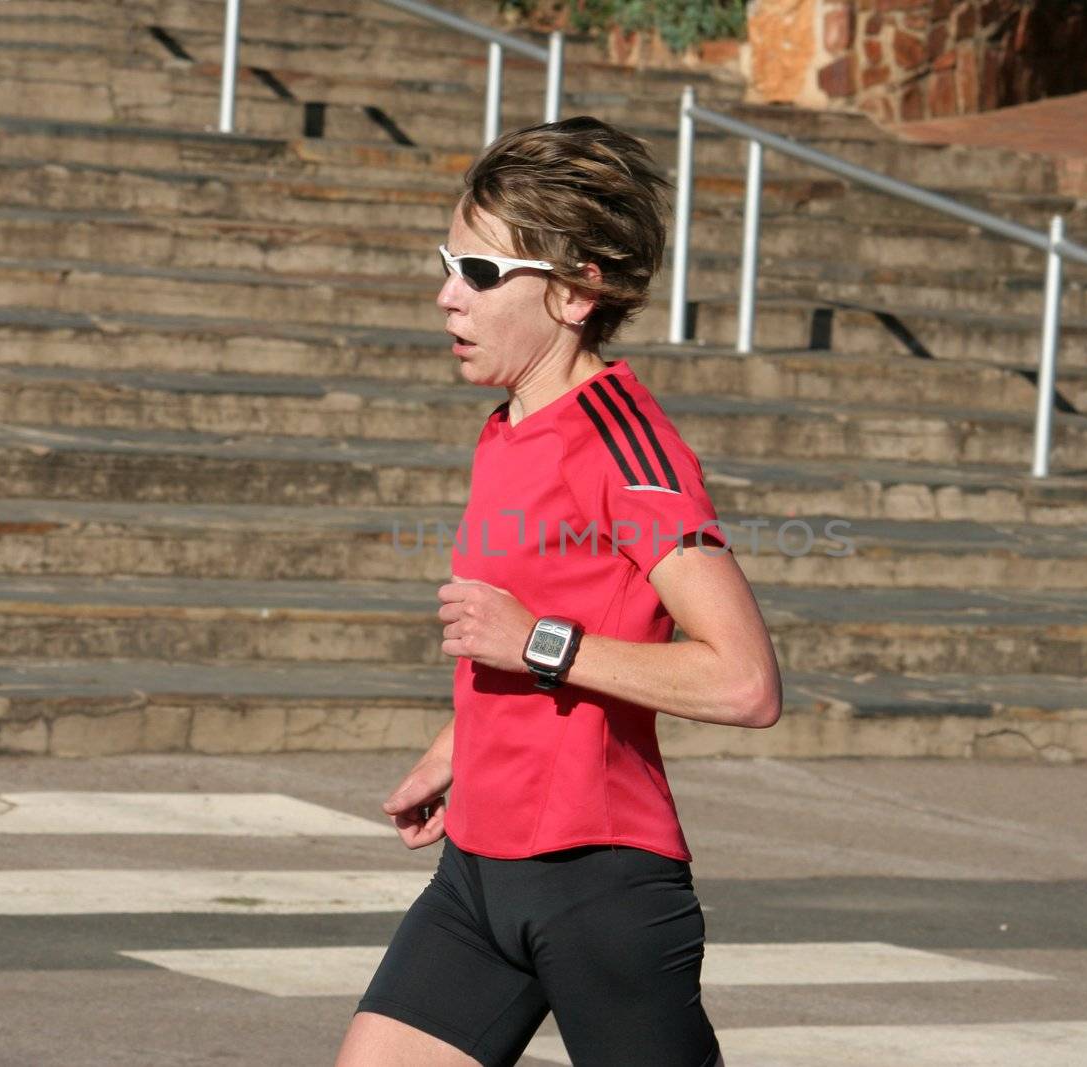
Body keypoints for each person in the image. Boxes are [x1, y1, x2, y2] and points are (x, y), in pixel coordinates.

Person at [334, 116, 782, 1067]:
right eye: (449, 263)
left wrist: (540, 641)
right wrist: (460, 747)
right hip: (477, 881)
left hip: (597, 886)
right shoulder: (506, 429)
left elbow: (745, 683)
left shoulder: (630, 446)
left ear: (577, 292)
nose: (448, 298)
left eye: (484, 274)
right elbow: (541, 623)